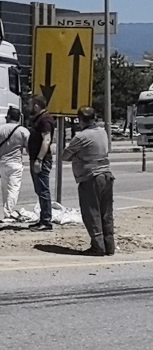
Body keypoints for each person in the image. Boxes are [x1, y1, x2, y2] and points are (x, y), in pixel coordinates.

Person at [63, 107, 116, 255]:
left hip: (90, 177)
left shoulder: (81, 137)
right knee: (106, 213)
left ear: (80, 120)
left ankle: (98, 247)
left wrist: (77, 156)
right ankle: (109, 246)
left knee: (91, 213)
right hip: (107, 175)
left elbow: (64, 156)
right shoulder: (103, 132)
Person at [0, 106, 30, 221]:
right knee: (13, 188)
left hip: (1, 162)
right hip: (15, 163)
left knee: (5, 188)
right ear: (19, 118)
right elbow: (28, 148)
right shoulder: (23, 131)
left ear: (8, 117)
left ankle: (7, 210)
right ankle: (8, 213)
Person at [27, 95, 56, 231]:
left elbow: (46, 140)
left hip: (42, 160)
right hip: (35, 158)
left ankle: (46, 221)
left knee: (43, 190)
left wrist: (39, 159)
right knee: (39, 190)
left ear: (36, 105)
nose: (29, 107)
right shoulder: (38, 119)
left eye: (30, 104)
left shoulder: (45, 120)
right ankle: (42, 219)